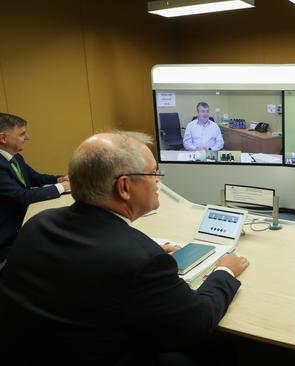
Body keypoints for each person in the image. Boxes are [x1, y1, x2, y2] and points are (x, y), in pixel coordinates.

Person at [0, 131, 249, 365]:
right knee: (222, 350)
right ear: (125, 187)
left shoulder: (38, 223)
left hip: (32, 353)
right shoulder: (141, 259)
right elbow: (196, 324)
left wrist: (142, 252)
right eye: (154, 173)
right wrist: (224, 272)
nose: (159, 180)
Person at [0, 112, 70, 266]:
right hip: (7, 233)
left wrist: (59, 179)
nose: (28, 137)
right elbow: (22, 196)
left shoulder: (15, 157)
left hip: (22, 220)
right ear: (3, 138)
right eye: (22, 134)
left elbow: (36, 178)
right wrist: (61, 187)